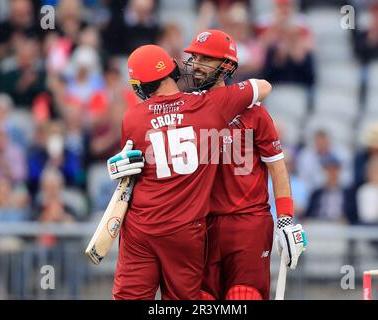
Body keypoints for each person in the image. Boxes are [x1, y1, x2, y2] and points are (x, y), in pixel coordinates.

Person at [107, 44, 272, 300]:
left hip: (139, 228)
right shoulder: (208, 106)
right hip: (183, 229)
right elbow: (262, 86)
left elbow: (132, 172)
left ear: (141, 85)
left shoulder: (133, 118)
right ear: (173, 70)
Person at [181, 29, 306, 300]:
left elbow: (277, 167)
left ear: (226, 66)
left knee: (243, 297)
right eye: (195, 58)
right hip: (200, 224)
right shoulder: (186, 109)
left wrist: (285, 218)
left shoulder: (255, 113)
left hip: (247, 224)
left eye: (206, 59)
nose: (197, 65)